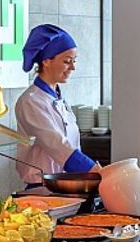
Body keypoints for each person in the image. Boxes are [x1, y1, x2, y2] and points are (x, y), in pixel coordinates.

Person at [13, 24, 98, 188]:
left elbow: (71, 145)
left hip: (66, 185)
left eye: (74, 61)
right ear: (46, 61)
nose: (72, 67)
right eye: (67, 61)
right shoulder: (30, 101)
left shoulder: (59, 98)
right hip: (42, 188)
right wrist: (95, 171)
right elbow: (57, 145)